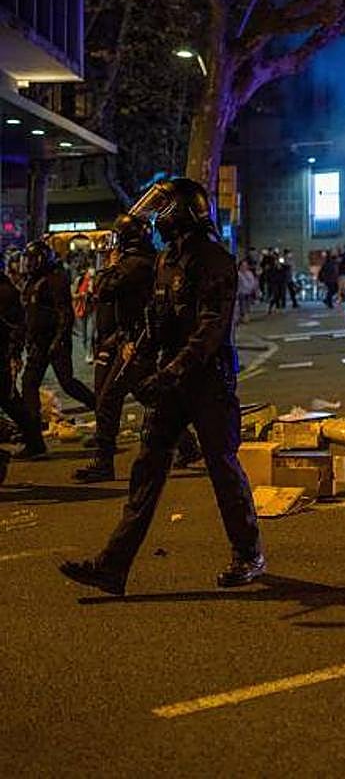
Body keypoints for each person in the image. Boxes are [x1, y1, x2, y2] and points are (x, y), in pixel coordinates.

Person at [59, 177, 266, 596]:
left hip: (207, 382)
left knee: (222, 468)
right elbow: (158, 319)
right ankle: (112, 567)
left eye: (164, 209)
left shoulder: (213, 260)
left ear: (184, 212)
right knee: (146, 472)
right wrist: (140, 354)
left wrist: (167, 373)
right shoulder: (166, 259)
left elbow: (209, 332)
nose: (156, 218)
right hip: (171, 380)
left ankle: (248, 553)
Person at [72, 213, 204, 483]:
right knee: (148, 396)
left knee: (110, 398)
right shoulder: (145, 261)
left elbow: (103, 289)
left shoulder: (135, 264)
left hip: (137, 341)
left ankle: (103, 461)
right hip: (127, 339)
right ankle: (188, 446)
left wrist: (109, 264)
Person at [19, 239, 96, 428]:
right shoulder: (32, 280)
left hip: (54, 340)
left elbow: (65, 312)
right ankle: (33, 433)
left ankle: (101, 410)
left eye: (32, 260)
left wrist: (58, 340)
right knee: (29, 384)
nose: (28, 264)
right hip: (38, 342)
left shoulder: (55, 278)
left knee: (67, 383)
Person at [0, 263, 46, 459]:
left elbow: (16, 325)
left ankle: (34, 443)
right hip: (4, 353)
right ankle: (35, 442)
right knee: (11, 402)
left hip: (2, 353)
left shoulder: (4, 291)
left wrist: (14, 353)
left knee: (11, 401)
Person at [237, 258, 259, 323]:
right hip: (241, 293)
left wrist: (255, 289)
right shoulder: (238, 274)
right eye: (243, 265)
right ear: (240, 266)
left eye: (246, 265)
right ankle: (243, 317)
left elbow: (253, 282)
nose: (245, 267)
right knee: (242, 306)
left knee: (248, 306)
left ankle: (245, 317)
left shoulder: (249, 273)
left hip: (249, 292)